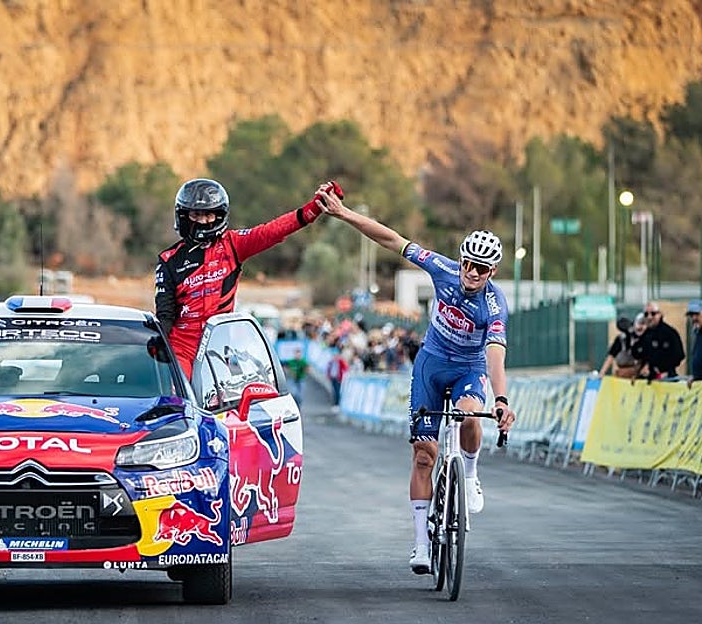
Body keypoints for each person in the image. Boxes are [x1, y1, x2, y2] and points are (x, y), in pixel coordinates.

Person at [315, 182, 516, 575]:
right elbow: (391, 239)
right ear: (460, 261)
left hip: (469, 369)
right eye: (467, 264)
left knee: (470, 417)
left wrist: (502, 399)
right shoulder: (441, 269)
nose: (471, 273)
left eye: (481, 268)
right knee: (424, 455)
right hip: (431, 362)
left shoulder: (495, 305)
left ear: (492, 272)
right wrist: (344, 213)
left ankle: (471, 474)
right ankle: (421, 545)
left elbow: (495, 356)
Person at [154, 178, 339, 377]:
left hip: (216, 348)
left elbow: (273, 231)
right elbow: (165, 315)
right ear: (183, 215)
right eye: (196, 214)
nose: (203, 220)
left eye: (209, 214)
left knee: (216, 405)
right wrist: (157, 344)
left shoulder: (234, 244)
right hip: (181, 348)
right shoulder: (168, 260)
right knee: (181, 401)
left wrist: (314, 209)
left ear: (220, 215)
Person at [635, 301, 684, 379]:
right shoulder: (645, 335)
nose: (649, 317)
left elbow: (679, 355)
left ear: (660, 314)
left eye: (653, 314)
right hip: (648, 379)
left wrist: (661, 368)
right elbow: (638, 355)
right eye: (646, 314)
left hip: (666, 376)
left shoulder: (669, 333)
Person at [686, 299, 702, 383]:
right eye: (691, 315)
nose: (694, 318)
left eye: (697, 314)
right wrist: (695, 376)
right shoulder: (697, 333)